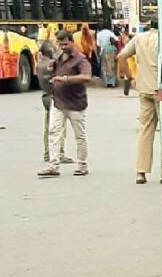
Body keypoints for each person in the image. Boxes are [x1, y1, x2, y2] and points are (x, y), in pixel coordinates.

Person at [37, 30, 91, 178]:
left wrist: (66, 79)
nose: (63, 47)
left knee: (79, 136)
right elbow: (52, 73)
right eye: (61, 44)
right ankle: (53, 165)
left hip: (76, 104)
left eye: (66, 44)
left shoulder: (81, 60)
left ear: (72, 42)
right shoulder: (58, 58)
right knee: (54, 133)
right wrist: (51, 69)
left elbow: (86, 77)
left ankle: (82, 165)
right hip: (59, 102)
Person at [118, 21, 161, 185]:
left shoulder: (139, 38)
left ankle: (141, 172)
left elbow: (121, 57)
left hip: (144, 89)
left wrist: (130, 78)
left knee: (145, 131)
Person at [37, 40, 71, 165]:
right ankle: (59, 153)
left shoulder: (40, 64)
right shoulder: (49, 65)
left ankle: (47, 152)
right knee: (59, 128)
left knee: (48, 128)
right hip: (54, 98)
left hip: (45, 97)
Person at [97, 23, 118, 88]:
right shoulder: (110, 33)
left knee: (104, 67)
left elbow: (98, 44)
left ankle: (106, 83)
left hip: (103, 51)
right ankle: (112, 83)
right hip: (112, 50)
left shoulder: (99, 34)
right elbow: (117, 39)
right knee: (112, 66)